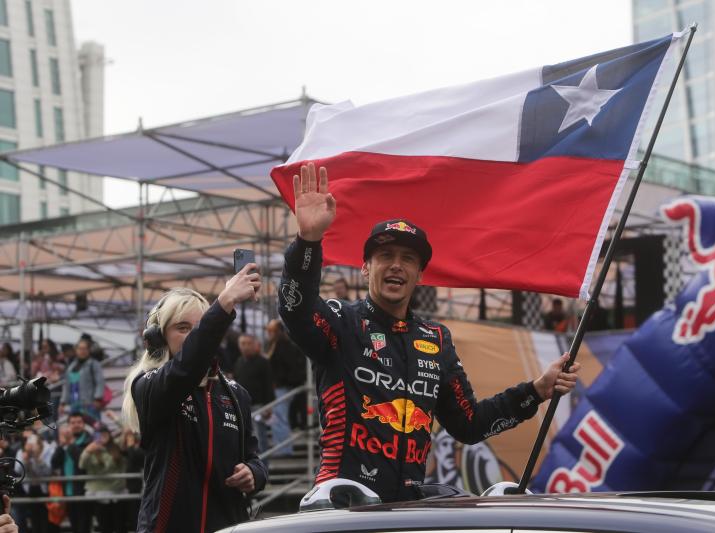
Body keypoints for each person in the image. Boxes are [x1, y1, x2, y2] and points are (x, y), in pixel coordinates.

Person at [278, 163, 581, 502]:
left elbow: (470, 424)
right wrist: (307, 241)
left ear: (420, 274)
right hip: (343, 503)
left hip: (408, 511)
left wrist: (536, 391)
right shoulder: (342, 321)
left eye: (408, 258)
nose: (396, 265)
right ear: (365, 268)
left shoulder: (435, 339)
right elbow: (295, 310)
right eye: (385, 255)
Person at [121, 278, 268, 533]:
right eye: (183, 328)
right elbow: (184, 369)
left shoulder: (236, 394)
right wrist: (223, 303)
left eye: (199, 328)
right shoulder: (147, 385)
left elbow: (253, 458)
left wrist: (253, 473)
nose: (194, 336)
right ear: (159, 337)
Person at [265, 320, 306, 453]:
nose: (269, 334)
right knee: (278, 418)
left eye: (272, 331)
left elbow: (290, 368)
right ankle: (282, 448)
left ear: (279, 331)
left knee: (280, 417)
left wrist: (281, 380)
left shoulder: (284, 346)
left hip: (283, 387)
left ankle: (284, 449)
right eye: (268, 331)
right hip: (280, 386)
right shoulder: (274, 345)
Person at [232, 333, 275, 454]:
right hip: (241, 405)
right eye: (243, 344)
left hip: (258, 405)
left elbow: (268, 384)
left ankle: (263, 462)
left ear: (255, 345)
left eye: (249, 343)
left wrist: (269, 406)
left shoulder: (263, 362)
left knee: (259, 435)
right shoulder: (239, 361)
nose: (245, 347)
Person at [79, 426, 126, 533]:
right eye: (99, 434)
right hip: (99, 493)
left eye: (105, 433)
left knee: (121, 525)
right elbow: (81, 465)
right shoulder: (90, 449)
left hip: (117, 491)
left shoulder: (116, 446)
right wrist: (87, 451)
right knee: (104, 526)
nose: (102, 436)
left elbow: (126, 432)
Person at [51, 414, 93, 533]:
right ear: (69, 425)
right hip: (68, 491)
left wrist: (70, 444)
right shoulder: (64, 443)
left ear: (83, 425)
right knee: (74, 526)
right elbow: (54, 463)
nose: (76, 425)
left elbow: (81, 463)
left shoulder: (88, 441)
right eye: (73, 423)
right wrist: (61, 446)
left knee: (84, 526)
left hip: (84, 491)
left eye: (79, 422)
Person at [60, 339, 105, 422]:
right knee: (76, 426)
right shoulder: (71, 366)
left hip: (90, 404)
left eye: (84, 349)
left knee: (92, 426)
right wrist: (63, 402)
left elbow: (100, 382)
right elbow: (67, 386)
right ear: (76, 350)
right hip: (74, 405)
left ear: (89, 350)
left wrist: (98, 398)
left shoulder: (94, 364)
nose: (82, 351)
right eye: (80, 349)